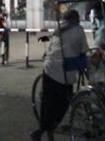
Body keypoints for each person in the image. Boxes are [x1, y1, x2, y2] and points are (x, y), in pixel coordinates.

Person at [31, 9, 89, 141]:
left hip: (51, 70)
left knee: (48, 103)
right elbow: (83, 51)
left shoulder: (58, 29)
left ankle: (43, 130)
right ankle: (45, 129)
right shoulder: (79, 30)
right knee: (62, 103)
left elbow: (52, 48)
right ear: (75, 19)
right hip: (67, 73)